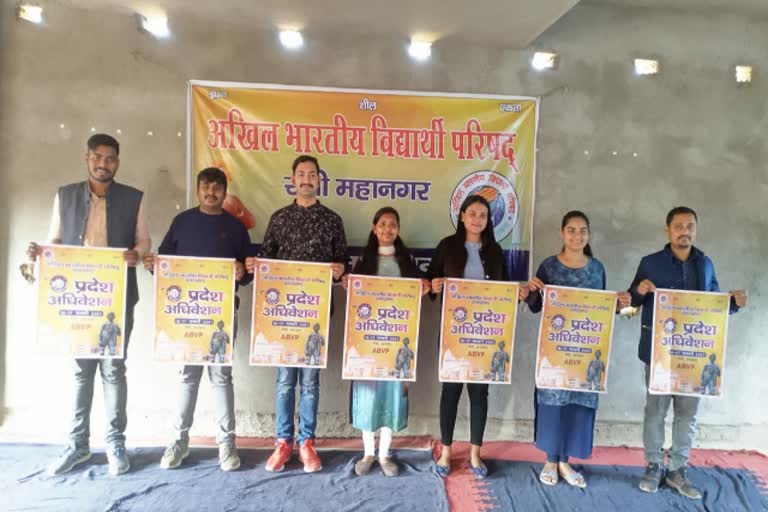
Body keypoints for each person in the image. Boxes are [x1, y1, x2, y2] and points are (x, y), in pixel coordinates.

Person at [27, 133, 150, 476]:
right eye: (98, 157)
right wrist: (39, 253)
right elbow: (53, 242)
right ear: (87, 158)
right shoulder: (64, 196)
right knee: (81, 373)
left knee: (113, 371)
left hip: (117, 298)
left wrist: (136, 254)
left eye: (110, 159)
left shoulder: (133, 198)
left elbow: (143, 241)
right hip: (77, 300)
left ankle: (115, 444)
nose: (103, 164)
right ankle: (77, 445)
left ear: (118, 162)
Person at [628, 206, 747, 499]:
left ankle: (677, 469)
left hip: (693, 357)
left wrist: (734, 302)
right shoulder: (650, 263)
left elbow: (715, 307)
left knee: (687, 415)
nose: (685, 231)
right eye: (679, 226)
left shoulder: (705, 265)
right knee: (655, 412)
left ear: (696, 230)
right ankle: (654, 465)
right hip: (659, 355)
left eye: (690, 226)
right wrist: (639, 292)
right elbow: (629, 304)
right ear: (667, 230)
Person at [144, 167, 251, 472]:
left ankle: (227, 444)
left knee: (221, 378)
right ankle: (179, 441)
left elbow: (246, 272)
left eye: (217, 187)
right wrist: (154, 264)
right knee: (188, 376)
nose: (211, 192)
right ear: (198, 189)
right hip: (187, 317)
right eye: (205, 186)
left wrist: (243, 271)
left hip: (221, 317)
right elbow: (165, 263)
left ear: (224, 191)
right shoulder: (182, 222)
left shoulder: (236, 227)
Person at [246, 155, 347, 473]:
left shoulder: (332, 220)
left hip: (314, 316)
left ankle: (307, 443)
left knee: (311, 381)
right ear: (292, 179)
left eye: (312, 174)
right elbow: (266, 261)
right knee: (285, 380)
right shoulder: (278, 218)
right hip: (282, 317)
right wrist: (254, 264)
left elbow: (342, 264)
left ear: (319, 180)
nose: (306, 179)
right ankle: (282, 443)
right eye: (301, 174)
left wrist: (338, 269)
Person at [527, 210, 631, 488]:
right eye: (571, 230)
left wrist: (621, 307)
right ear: (562, 233)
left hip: (586, 353)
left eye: (582, 230)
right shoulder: (548, 266)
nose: (577, 235)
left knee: (577, 405)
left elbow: (603, 309)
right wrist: (532, 291)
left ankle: (565, 462)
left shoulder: (597, 269)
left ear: (588, 235)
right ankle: (551, 459)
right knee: (553, 403)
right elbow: (536, 307)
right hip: (556, 351)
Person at [427, 194, 528, 480]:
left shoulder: (495, 251)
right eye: (472, 213)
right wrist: (434, 285)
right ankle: (446, 452)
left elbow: (504, 290)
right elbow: (432, 282)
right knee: (450, 393)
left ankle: (474, 453)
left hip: (484, 336)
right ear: (461, 215)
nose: (477, 219)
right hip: (454, 335)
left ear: (488, 220)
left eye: (483, 215)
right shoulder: (447, 246)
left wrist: (517, 293)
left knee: (479, 394)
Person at [342, 206, 429, 477]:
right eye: (382, 224)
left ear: (398, 230)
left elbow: (415, 297)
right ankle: (368, 453)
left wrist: (423, 290)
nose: (387, 229)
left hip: (397, 344)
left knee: (393, 396)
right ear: (374, 227)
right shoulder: (364, 261)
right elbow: (357, 301)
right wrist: (349, 285)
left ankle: (385, 454)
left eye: (393, 224)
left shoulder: (407, 263)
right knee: (368, 397)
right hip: (368, 343)